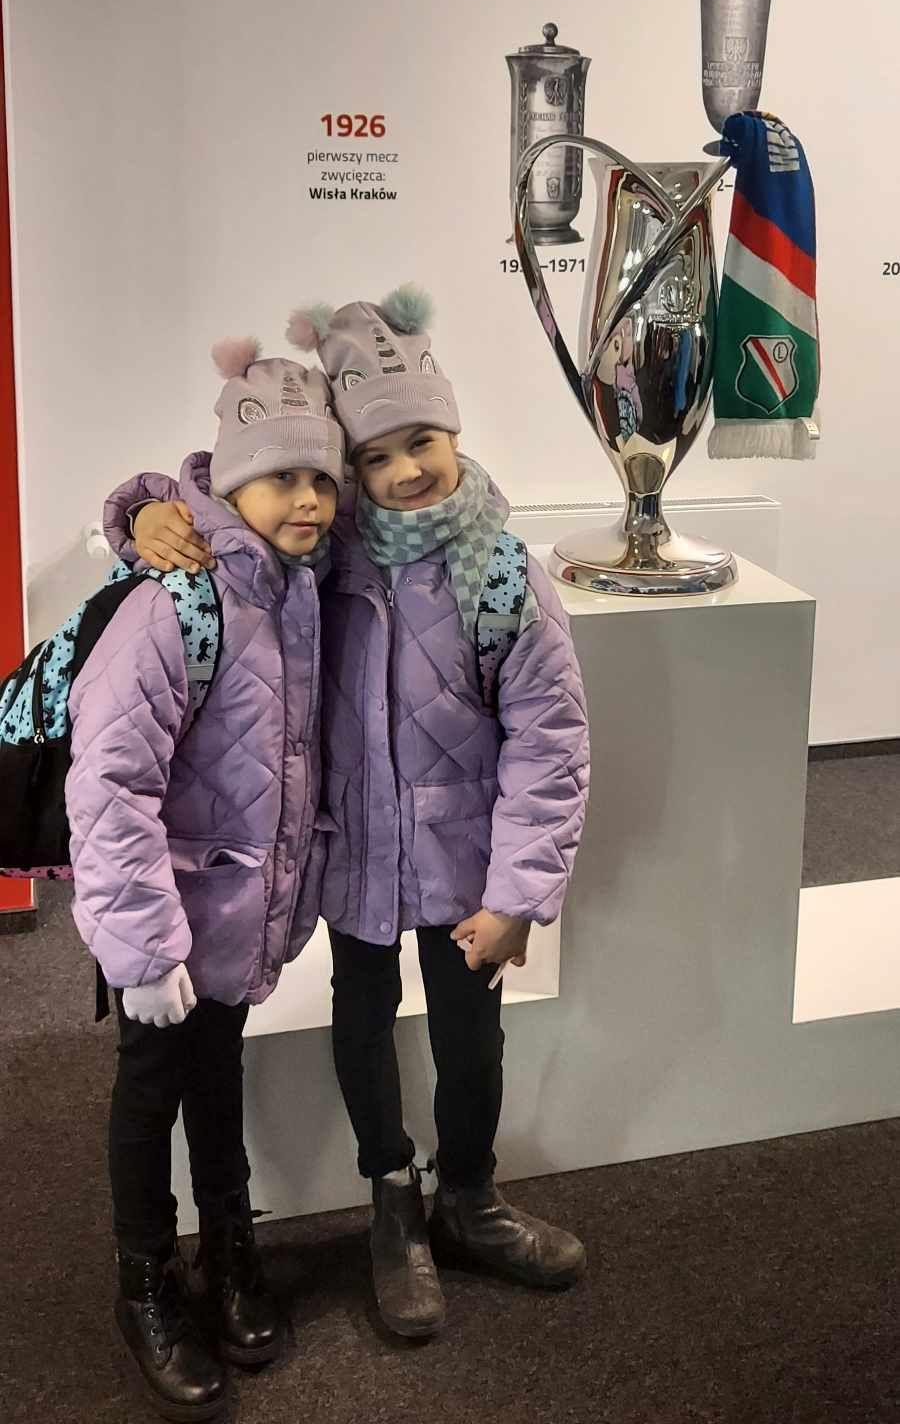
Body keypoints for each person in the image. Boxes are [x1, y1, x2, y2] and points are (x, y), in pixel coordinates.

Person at [104, 286, 591, 1343]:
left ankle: (470, 1195)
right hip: (355, 849)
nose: (405, 469)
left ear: (454, 432)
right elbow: (230, 499)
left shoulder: (502, 572)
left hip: (465, 865)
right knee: (363, 1017)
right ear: (353, 470)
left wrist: (521, 892)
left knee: (472, 1037)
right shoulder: (325, 554)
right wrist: (139, 509)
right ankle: (392, 1201)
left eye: (423, 441)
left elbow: (551, 741)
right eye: (375, 455)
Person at [66, 330, 344, 1420]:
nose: (308, 498)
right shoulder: (177, 598)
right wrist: (141, 948)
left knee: (219, 1073)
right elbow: (110, 779)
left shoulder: (300, 584)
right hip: (160, 918)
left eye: (322, 476)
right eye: (282, 477)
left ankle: (228, 1246)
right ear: (230, 484)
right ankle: (143, 1280)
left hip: (235, 911)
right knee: (149, 1091)